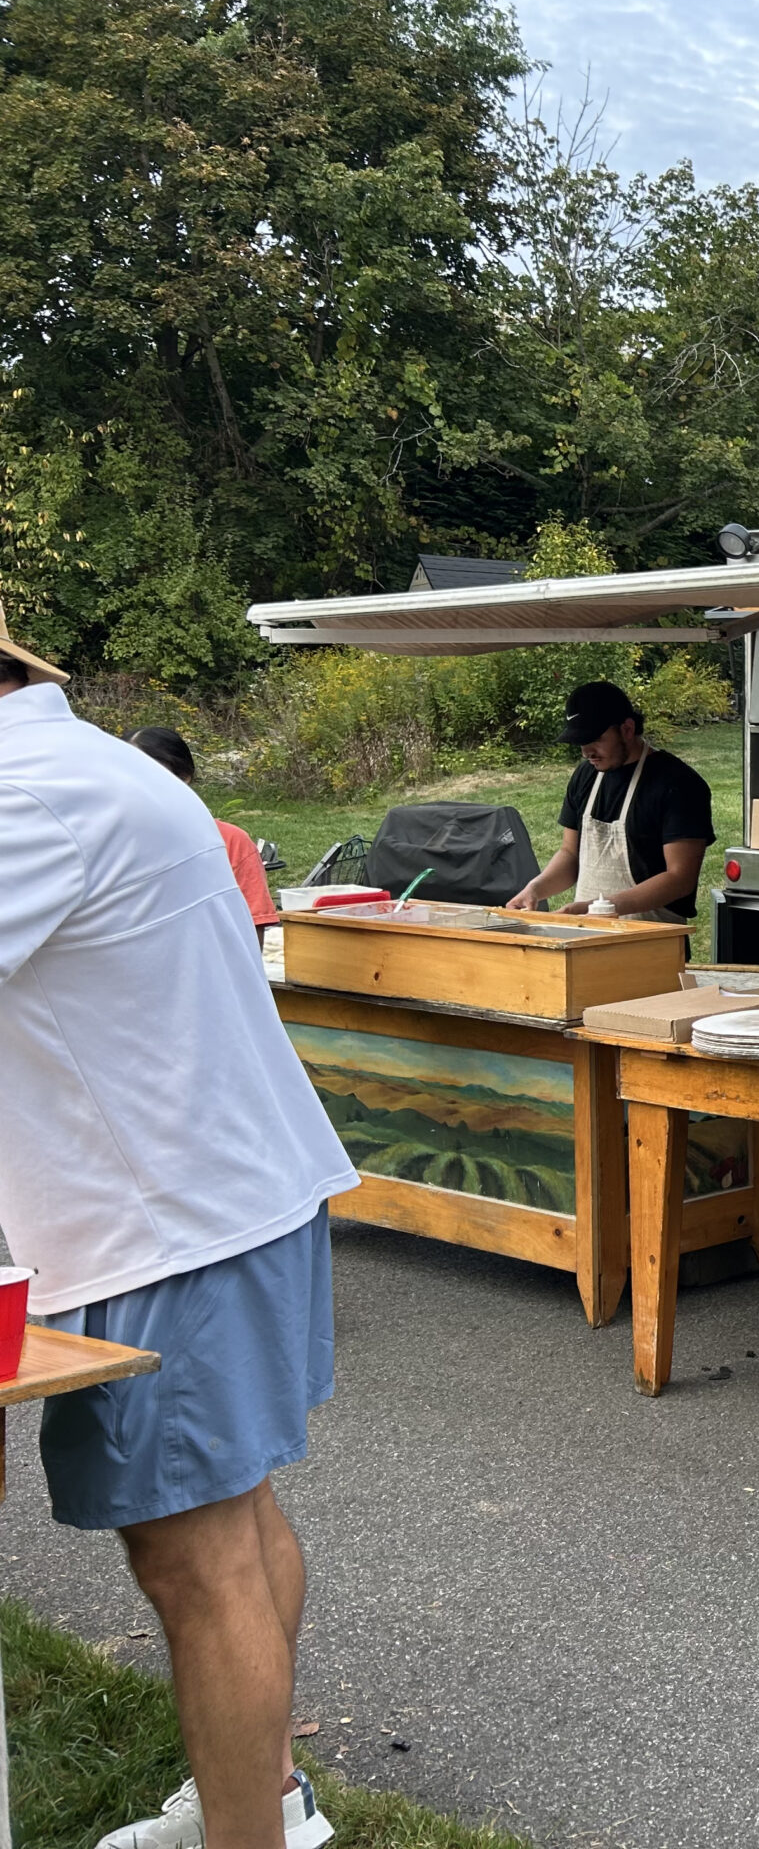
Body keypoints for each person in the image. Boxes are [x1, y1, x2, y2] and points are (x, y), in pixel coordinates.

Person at [0, 604, 354, 1849]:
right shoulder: (84, 760)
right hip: (220, 1199)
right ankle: (262, 1803)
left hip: (168, 1222)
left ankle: (245, 1834)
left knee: (198, 1563)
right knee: (237, 1525)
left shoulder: (22, 798)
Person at [506, 679, 712, 925]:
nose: (586, 752)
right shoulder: (585, 776)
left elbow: (680, 878)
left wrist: (602, 908)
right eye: (581, 742)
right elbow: (570, 854)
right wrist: (535, 889)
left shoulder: (678, 784)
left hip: (651, 937)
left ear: (627, 729)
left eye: (595, 739)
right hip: (587, 933)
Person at [130, 726, 281, 929]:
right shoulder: (107, 843)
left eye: (147, 772)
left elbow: (252, 930)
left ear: (183, 776)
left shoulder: (229, 842)